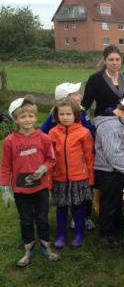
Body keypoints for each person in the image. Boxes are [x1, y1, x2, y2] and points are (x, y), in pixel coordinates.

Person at [1, 96, 59, 267]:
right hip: (20, 190)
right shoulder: (10, 141)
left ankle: (46, 247)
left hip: (40, 187)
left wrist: (43, 169)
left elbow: (51, 159)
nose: (27, 120)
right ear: (15, 119)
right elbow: (5, 166)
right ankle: (29, 250)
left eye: (31, 116)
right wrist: (5, 187)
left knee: (42, 218)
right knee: (26, 220)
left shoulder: (44, 138)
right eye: (23, 117)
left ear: (35, 117)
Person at [40, 81, 96, 231]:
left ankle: (87, 216)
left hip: (83, 155)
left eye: (78, 93)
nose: (79, 96)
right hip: (63, 163)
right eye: (75, 94)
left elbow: (89, 130)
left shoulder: (82, 110)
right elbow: (43, 132)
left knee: (84, 191)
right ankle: (73, 217)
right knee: (67, 192)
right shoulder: (56, 114)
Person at [94, 97, 124, 247]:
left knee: (114, 202)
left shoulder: (116, 124)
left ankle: (116, 230)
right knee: (110, 204)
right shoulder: (111, 127)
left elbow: (112, 147)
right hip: (109, 172)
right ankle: (107, 235)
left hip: (113, 171)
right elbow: (112, 155)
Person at [48, 98, 94, 249]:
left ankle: (79, 234)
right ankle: (61, 235)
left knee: (77, 206)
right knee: (61, 207)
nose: (65, 117)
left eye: (68, 113)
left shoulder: (84, 133)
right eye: (61, 114)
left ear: (75, 114)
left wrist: (90, 178)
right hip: (59, 177)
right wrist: (49, 179)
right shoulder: (53, 133)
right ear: (56, 115)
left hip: (79, 177)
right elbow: (49, 158)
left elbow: (89, 157)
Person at [82, 45, 124, 117]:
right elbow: (85, 105)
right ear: (104, 61)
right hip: (103, 122)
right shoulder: (95, 80)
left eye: (117, 59)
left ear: (121, 60)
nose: (114, 63)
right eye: (111, 60)